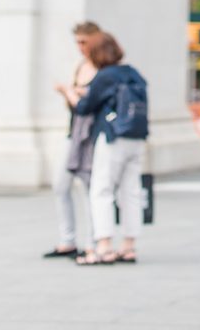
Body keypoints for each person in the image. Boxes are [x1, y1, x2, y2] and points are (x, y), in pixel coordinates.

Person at [67, 32, 149, 265]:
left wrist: (70, 94)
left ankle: (104, 244)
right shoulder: (132, 73)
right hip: (136, 137)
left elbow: (84, 107)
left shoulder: (105, 76)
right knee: (130, 190)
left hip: (112, 137)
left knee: (101, 188)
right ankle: (129, 245)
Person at [42, 20, 101, 260]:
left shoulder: (104, 69)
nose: (80, 47)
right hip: (73, 133)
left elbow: (91, 104)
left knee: (89, 189)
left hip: (91, 136)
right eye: (77, 42)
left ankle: (93, 241)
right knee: (61, 184)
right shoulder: (80, 66)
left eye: (84, 42)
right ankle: (68, 240)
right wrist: (69, 95)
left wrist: (71, 92)